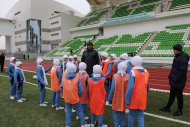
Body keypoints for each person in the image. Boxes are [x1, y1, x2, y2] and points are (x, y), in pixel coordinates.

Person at [159, 44, 189, 116]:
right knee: (172, 95)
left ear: (177, 50)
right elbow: (174, 69)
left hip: (179, 81)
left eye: (174, 50)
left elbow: (182, 71)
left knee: (179, 96)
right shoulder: (178, 56)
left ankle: (180, 110)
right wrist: (170, 76)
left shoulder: (182, 58)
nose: (173, 51)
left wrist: (174, 79)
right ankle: (167, 107)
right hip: (175, 80)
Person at [126, 56, 150, 127]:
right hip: (143, 97)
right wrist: (146, 95)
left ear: (133, 63)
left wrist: (127, 99)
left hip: (134, 98)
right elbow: (148, 86)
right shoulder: (146, 72)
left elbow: (130, 88)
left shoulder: (132, 72)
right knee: (141, 116)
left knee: (131, 115)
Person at [108, 62, 129, 127]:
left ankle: (116, 125)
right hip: (124, 98)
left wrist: (109, 99)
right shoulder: (128, 76)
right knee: (122, 113)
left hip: (116, 98)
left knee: (115, 112)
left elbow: (112, 89)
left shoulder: (115, 76)